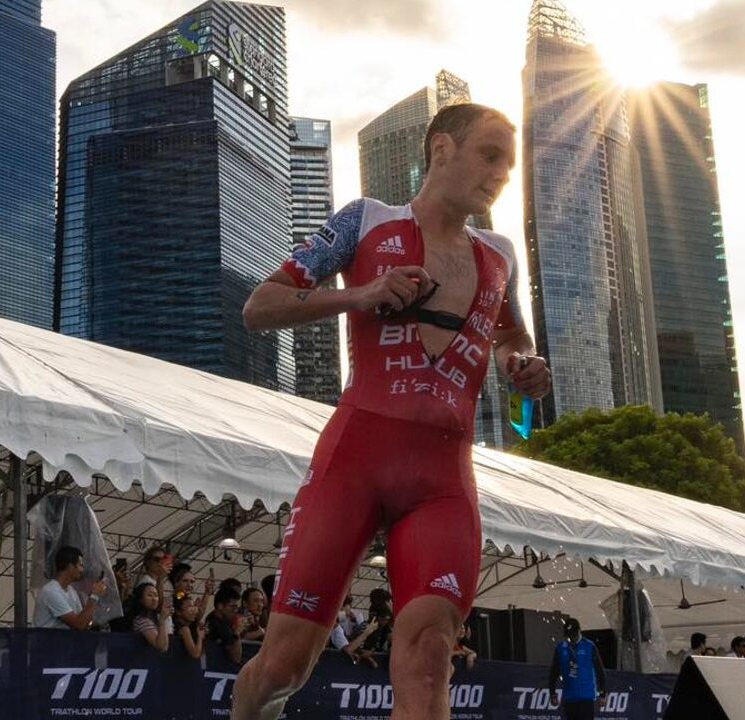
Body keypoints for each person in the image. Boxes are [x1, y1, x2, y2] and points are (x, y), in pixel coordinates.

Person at [232, 102, 550, 720]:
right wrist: (363, 293)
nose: (500, 174)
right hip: (353, 462)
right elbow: (260, 306)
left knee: (431, 654)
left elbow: (512, 337)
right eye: (489, 155)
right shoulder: (366, 221)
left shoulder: (499, 254)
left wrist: (522, 366)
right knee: (281, 668)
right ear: (440, 149)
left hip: (443, 483)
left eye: (508, 166)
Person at [33, 546, 107, 630]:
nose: (82, 570)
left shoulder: (71, 591)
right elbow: (79, 625)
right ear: (70, 566)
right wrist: (94, 596)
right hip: (48, 642)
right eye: (80, 565)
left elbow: (84, 621)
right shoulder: (51, 591)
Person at [549, 618, 607, 720]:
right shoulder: (561, 648)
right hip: (569, 698)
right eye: (569, 636)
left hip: (586, 698)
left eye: (574, 635)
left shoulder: (589, 646)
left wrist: (603, 693)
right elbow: (554, 672)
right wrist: (552, 693)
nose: (572, 638)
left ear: (579, 631)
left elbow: (600, 671)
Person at [206, 586, 243, 664]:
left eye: (237, 607)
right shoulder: (219, 626)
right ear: (220, 606)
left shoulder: (214, 619)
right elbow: (236, 658)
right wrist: (237, 632)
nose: (235, 610)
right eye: (232, 606)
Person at [129, 582, 170, 652]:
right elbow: (162, 647)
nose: (154, 599)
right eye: (149, 595)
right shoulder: (142, 620)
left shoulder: (154, 617)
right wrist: (162, 621)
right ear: (140, 599)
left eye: (156, 595)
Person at [174, 592, 207, 660]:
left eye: (193, 607)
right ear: (178, 612)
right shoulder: (184, 629)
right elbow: (195, 654)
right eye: (189, 608)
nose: (194, 611)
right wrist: (200, 636)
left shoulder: (191, 626)